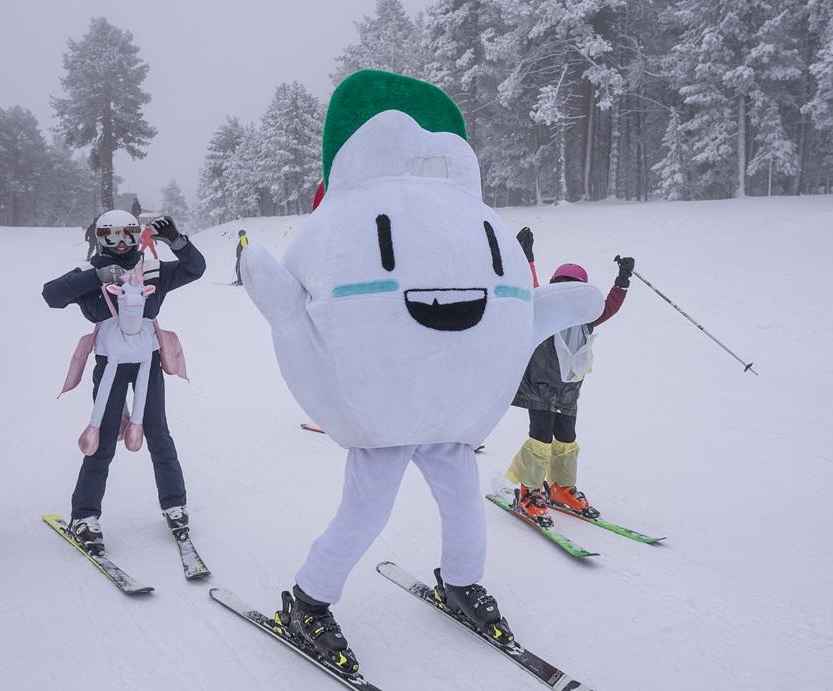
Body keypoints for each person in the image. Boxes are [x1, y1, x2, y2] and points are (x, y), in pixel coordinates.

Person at [240, 70, 603, 675]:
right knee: (366, 513)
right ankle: (307, 602)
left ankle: (461, 583)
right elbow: (294, 308)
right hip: (384, 424)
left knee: (464, 502)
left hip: (448, 423)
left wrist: (553, 309)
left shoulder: (464, 208)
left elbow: (518, 317)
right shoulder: (349, 213)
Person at [41, 210, 205, 554]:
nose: (121, 243)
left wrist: (177, 241)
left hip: (148, 358)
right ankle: (85, 515)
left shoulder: (153, 269)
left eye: (129, 235)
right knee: (103, 434)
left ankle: (175, 504)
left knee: (158, 432)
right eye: (112, 236)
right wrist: (95, 277)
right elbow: (52, 295)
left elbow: (195, 268)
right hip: (110, 361)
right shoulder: (93, 272)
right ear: (100, 238)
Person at [505, 229, 633, 526]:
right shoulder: (545, 311)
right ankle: (529, 490)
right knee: (541, 437)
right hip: (540, 387)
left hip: (568, 390)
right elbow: (531, 285)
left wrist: (623, 281)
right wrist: (527, 256)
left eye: (573, 288)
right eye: (561, 287)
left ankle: (561, 487)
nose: (567, 294)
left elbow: (609, 306)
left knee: (566, 437)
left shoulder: (587, 318)